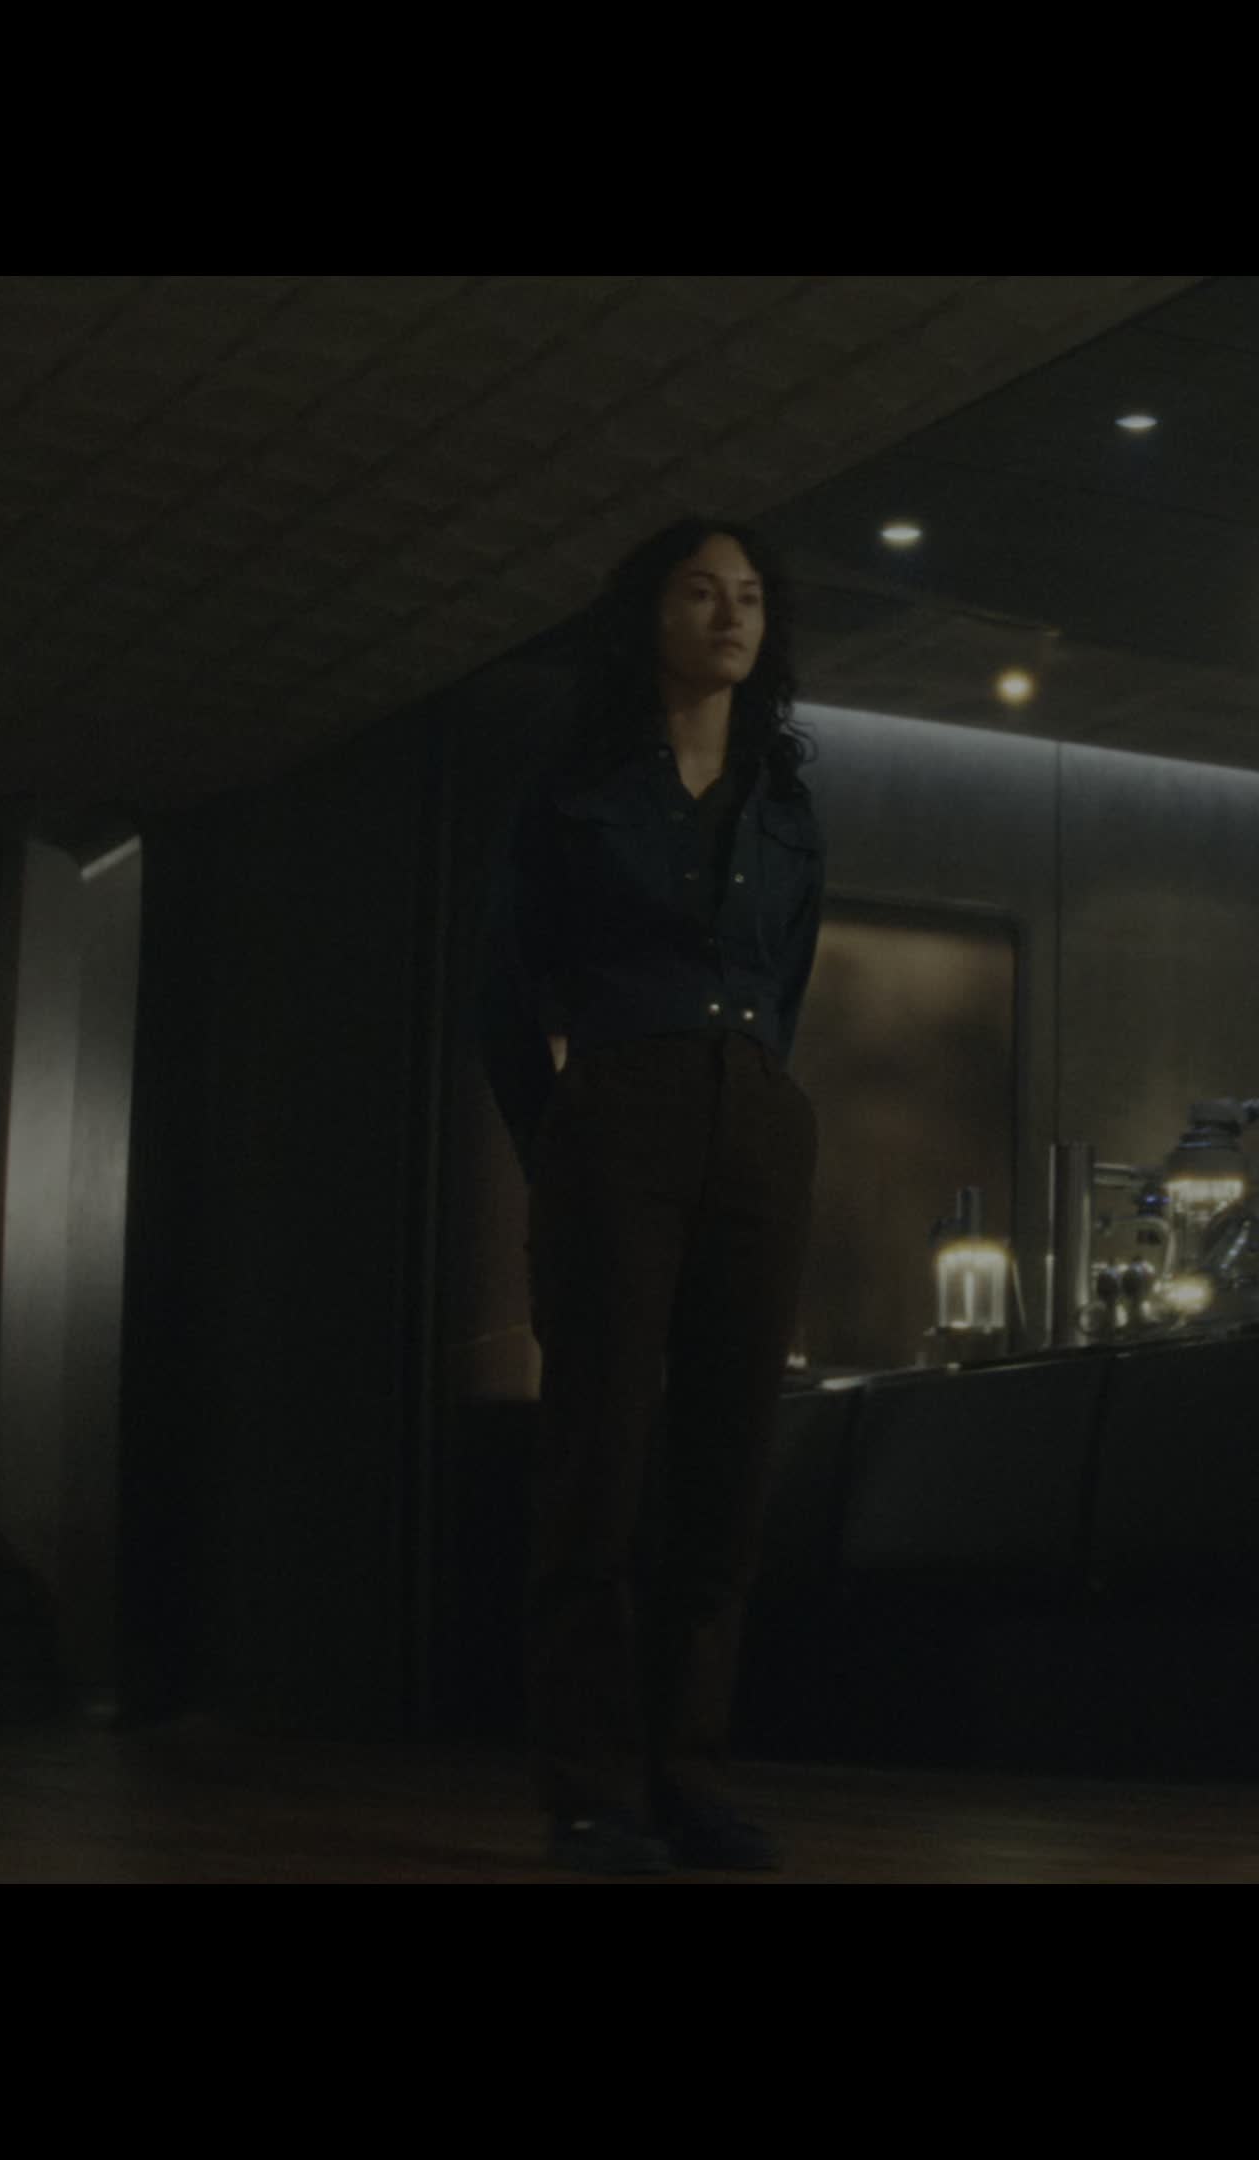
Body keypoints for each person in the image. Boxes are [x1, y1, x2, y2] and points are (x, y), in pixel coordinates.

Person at [480, 518, 824, 1877]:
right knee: (600, 1460)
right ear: (650, 618)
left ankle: (693, 1780)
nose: (730, 615)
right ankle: (589, 1792)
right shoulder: (573, 791)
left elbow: (789, 982)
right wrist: (563, 1141)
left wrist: (758, 1104)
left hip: (757, 1119)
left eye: (749, 597)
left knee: (727, 1467)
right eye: (700, 592)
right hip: (616, 1113)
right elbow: (505, 995)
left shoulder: (785, 800)